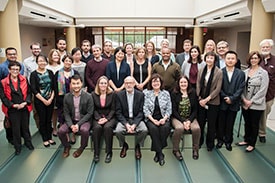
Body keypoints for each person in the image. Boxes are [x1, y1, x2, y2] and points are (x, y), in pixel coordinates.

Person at [236, 51, 269, 152]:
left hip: (256, 104)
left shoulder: (263, 73)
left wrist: (251, 101)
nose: (253, 60)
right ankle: (246, 139)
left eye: (256, 58)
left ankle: (252, 143)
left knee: (254, 124)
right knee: (247, 123)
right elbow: (240, 87)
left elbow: (263, 89)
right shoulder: (245, 72)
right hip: (245, 102)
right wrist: (244, 99)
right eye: (252, 58)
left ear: (259, 59)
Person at [0, 61, 34, 155]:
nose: (15, 71)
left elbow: (29, 93)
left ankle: (28, 142)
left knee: (25, 127)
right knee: (15, 129)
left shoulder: (24, 79)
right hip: (12, 109)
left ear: (19, 70)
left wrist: (25, 103)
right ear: (9, 70)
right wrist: (12, 105)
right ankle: (17, 147)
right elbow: (3, 97)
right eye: (13, 69)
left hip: (24, 107)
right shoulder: (3, 82)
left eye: (17, 69)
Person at [58, 74, 94, 158]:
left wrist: (78, 125)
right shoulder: (67, 97)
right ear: (70, 84)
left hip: (84, 120)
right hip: (72, 120)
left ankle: (82, 147)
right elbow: (66, 113)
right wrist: (71, 125)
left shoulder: (88, 96)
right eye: (73, 83)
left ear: (81, 83)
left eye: (78, 83)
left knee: (84, 130)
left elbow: (89, 113)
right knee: (61, 131)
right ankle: (67, 146)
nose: (76, 86)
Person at [216, 51, 245, 151]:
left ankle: (228, 141)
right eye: (228, 58)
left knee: (230, 123)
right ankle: (220, 140)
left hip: (234, 102)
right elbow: (218, 87)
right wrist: (225, 97)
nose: (230, 60)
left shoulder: (240, 73)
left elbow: (241, 88)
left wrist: (232, 98)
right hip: (222, 102)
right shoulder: (220, 71)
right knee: (221, 123)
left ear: (236, 60)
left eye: (232, 58)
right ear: (225, 59)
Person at [115, 76, 148, 160]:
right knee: (118, 131)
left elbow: (141, 112)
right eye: (126, 83)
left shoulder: (140, 95)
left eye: (130, 83)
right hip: (124, 119)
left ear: (134, 84)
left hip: (136, 119)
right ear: (124, 84)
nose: (128, 85)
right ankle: (124, 145)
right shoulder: (119, 95)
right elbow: (118, 112)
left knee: (144, 130)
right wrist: (126, 124)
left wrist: (134, 125)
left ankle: (137, 145)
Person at [196, 51, 222, 151]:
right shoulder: (201, 69)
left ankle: (210, 143)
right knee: (200, 123)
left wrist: (207, 99)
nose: (209, 60)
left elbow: (218, 89)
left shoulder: (219, 72)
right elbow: (198, 84)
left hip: (213, 102)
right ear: (205, 59)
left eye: (211, 58)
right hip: (201, 101)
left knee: (211, 124)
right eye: (207, 57)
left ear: (214, 60)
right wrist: (199, 97)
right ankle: (199, 141)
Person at [143, 74, 171, 166]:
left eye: (157, 81)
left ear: (161, 82)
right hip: (151, 118)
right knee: (154, 129)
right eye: (153, 81)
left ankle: (157, 152)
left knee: (165, 128)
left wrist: (164, 118)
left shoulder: (166, 93)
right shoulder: (146, 93)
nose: (156, 83)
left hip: (163, 118)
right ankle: (160, 153)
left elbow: (169, 108)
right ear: (151, 83)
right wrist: (153, 120)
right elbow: (145, 109)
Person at [171, 75, 200, 160]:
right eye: (181, 82)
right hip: (177, 118)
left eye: (185, 82)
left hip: (190, 117)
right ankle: (176, 150)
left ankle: (195, 149)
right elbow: (173, 110)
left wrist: (189, 121)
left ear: (188, 83)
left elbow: (195, 109)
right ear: (178, 84)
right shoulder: (174, 93)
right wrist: (183, 121)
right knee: (179, 128)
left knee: (196, 128)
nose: (183, 84)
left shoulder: (193, 92)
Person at [30, 54, 56, 147]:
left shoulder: (50, 72)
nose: (42, 62)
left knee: (49, 119)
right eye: (40, 61)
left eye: (43, 60)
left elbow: (54, 87)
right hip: (39, 101)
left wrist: (51, 98)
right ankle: (45, 138)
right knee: (42, 119)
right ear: (37, 62)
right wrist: (44, 100)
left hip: (50, 100)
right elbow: (33, 89)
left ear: (46, 61)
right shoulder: (33, 74)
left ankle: (50, 138)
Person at [0, 47, 24, 145]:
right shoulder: (2, 67)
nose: (12, 56)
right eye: (10, 54)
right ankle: (10, 137)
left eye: (14, 54)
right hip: (8, 98)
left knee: (20, 118)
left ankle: (20, 134)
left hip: (19, 97)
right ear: (6, 55)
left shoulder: (20, 65)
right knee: (8, 118)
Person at [91, 76, 116, 163]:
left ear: (108, 84)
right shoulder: (93, 94)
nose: (103, 85)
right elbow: (92, 109)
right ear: (98, 84)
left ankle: (109, 152)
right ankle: (96, 153)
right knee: (97, 128)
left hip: (110, 117)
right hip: (97, 117)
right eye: (101, 83)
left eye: (105, 83)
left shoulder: (112, 94)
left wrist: (107, 119)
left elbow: (113, 109)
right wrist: (98, 118)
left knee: (107, 128)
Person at [258, 39, 275, 143]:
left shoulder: (274, 61)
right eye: (263, 47)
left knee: (265, 113)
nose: (265, 49)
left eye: (267, 47)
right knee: (255, 114)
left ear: (271, 48)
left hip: (269, 93)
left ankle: (262, 133)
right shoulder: (257, 59)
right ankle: (255, 132)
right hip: (256, 93)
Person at [23, 42, 41, 129]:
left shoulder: (45, 60)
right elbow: (25, 76)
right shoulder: (26, 62)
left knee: (46, 109)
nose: (36, 50)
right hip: (33, 90)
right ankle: (39, 127)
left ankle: (48, 126)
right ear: (31, 50)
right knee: (36, 110)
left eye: (37, 48)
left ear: (40, 49)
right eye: (34, 49)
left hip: (45, 89)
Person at [46, 49, 63, 136]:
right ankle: (54, 128)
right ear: (50, 57)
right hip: (50, 92)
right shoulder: (47, 67)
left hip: (60, 92)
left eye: (57, 55)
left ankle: (62, 126)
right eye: (54, 55)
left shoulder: (62, 66)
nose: (56, 57)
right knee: (53, 111)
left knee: (61, 110)